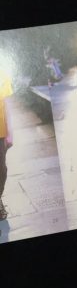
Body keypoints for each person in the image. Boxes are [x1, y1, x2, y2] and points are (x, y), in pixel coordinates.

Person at [0, 70, 13, 220]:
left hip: (0, 132)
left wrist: (10, 133)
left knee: (1, 170)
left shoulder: (2, 74)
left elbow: (7, 105)